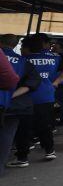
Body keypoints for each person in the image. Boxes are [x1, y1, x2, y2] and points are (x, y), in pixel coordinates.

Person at [8, 35, 63, 168]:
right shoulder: (54, 57)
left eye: (23, 48)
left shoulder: (24, 60)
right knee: (45, 125)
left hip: (27, 97)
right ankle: (49, 150)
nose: (21, 50)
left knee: (24, 128)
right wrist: (56, 82)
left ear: (28, 48)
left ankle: (22, 157)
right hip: (47, 96)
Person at [0, 37, 40, 174]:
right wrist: (12, 94)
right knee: (7, 135)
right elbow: (32, 83)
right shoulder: (23, 62)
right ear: (15, 45)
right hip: (14, 105)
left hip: (8, 103)